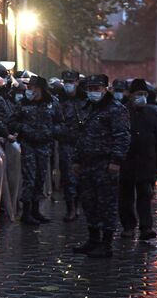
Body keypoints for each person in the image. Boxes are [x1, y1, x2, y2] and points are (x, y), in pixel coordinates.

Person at [73, 74, 131, 258]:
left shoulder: (116, 109)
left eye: (97, 89)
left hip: (105, 164)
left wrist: (116, 161)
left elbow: (122, 136)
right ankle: (93, 239)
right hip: (87, 163)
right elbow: (80, 136)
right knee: (89, 203)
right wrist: (76, 159)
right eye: (90, 89)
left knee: (106, 204)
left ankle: (106, 244)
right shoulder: (87, 108)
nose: (93, 92)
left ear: (106, 89)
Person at [9, 76, 61, 225]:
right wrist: (24, 129)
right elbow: (11, 122)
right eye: (29, 87)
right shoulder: (23, 104)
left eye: (32, 87)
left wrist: (51, 131)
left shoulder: (52, 103)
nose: (29, 90)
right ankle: (26, 212)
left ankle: (36, 210)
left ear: (40, 89)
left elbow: (60, 122)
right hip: (29, 145)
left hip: (44, 146)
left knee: (40, 178)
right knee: (29, 179)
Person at [119, 79, 157, 240]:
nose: (142, 97)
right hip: (126, 161)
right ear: (131, 95)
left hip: (147, 162)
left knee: (145, 195)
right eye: (139, 94)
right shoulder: (122, 112)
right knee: (125, 197)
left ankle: (146, 227)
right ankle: (128, 226)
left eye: (144, 94)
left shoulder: (152, 113)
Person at [57, 70, 87, 222]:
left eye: (71, 81)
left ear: (77, 82)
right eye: (65, 81)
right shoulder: (58, 100)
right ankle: (71, 209)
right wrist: (60, 132)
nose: (68, 84)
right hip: (67, 144)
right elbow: (53, 121)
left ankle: (79, 206)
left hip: (83, 145)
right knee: (68, 178)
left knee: (82, 177)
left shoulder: (85, 100)